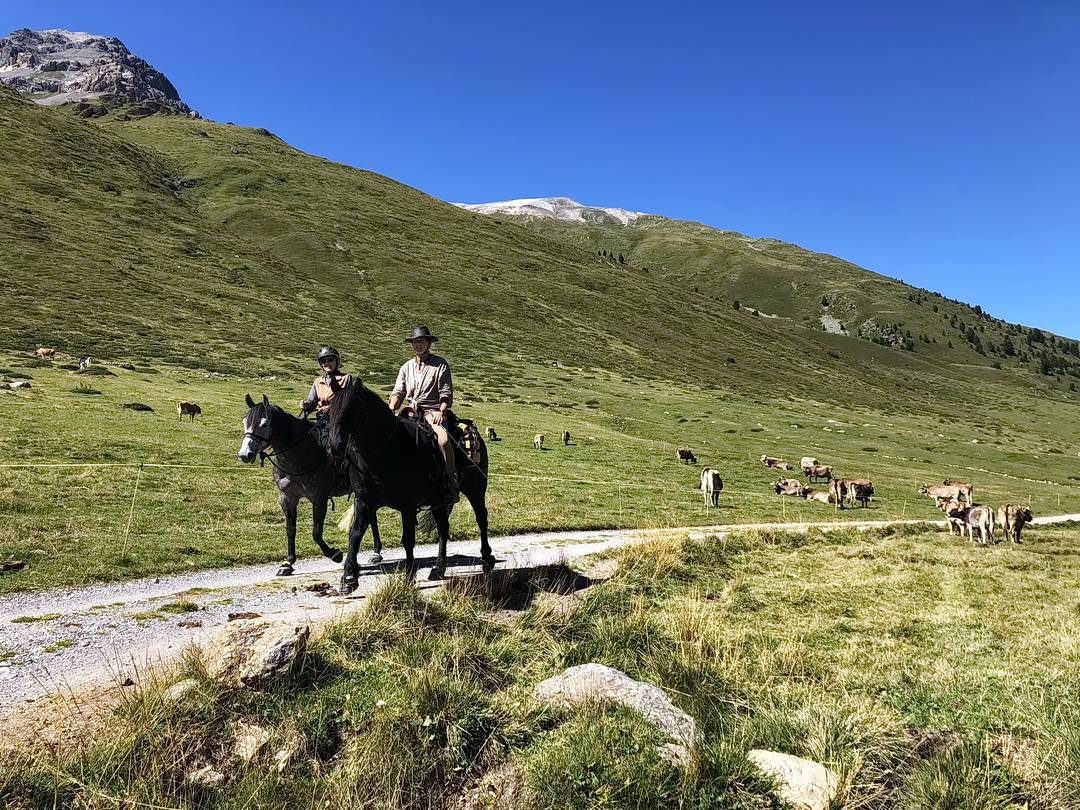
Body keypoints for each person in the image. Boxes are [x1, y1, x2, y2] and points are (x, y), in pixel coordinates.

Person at [388, 325, 458, 494]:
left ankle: (450, 481)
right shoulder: (406, 367)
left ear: (428, 343)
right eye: (414, 342)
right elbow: (399, 392)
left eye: (421, 341)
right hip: (410, 411)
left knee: (443, 440)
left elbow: (445, 392)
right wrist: (391, 408)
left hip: (432, 412)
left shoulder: (440, 365)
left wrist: (441, 411)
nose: (417, 345)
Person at [301, 345, 351, 418]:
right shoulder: (317, 381)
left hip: (338, 421)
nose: (327, 363)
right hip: (321, 419)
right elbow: (312, 403)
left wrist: (330, 408)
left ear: (336, 361)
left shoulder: (346, 378)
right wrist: (306, 404)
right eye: (323, 361)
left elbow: (347, 403)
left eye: (330, 360)